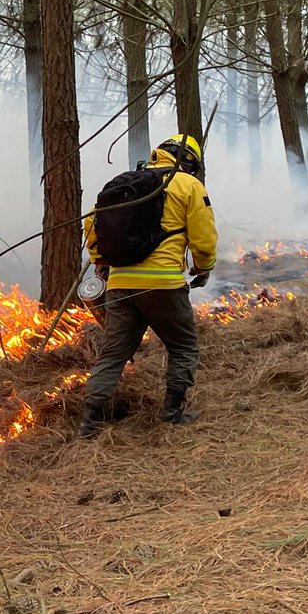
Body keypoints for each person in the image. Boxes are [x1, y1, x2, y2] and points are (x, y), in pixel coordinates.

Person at [78, 134, 218, 437]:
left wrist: (100, 261)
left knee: (112, 355)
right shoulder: (187, 185)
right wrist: (203, 267)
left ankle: (88, 423)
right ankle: (171, 414)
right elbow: (204, 236)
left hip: (119, 283)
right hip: (163, 285)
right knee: (183, 346)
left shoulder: (125, 183)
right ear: (190, 162)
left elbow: (92, 223)